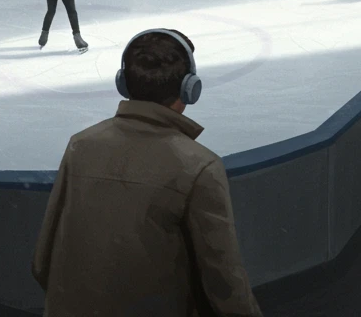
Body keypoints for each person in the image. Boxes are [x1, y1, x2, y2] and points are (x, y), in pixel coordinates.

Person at [33, 28, 262, 317]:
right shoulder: (199, 166)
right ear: (190, 89)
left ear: (123, 83)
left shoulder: (81, 145)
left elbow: (43, 260)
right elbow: (224, 283)